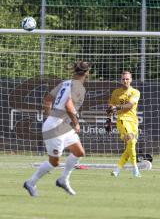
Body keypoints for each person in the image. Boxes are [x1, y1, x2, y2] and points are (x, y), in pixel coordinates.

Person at [23, 61, 90, 196]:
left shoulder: (64, 83)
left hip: (61, 125)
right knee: (54, 162)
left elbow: (47, 100)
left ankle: (63, 179)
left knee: (79, 152)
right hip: (56, 127)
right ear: (87, 73)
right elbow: (68, 105)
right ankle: (31, 182)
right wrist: (76, 122)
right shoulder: (79, 87)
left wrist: (50, 116)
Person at [106, 71, 141, 177]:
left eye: (127, 79)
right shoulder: (116, 92)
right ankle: (135, 169)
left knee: (131, 145)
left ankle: (117, 170)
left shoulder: (135, 92)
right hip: (122, 120)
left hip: (134, 121)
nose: (125, 81)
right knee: (130, 140)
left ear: (131, 80)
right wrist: (108, 121)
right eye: (123, 79)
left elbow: (130, 105)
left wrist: (117, 107)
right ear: (120, 80)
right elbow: (110, 108)